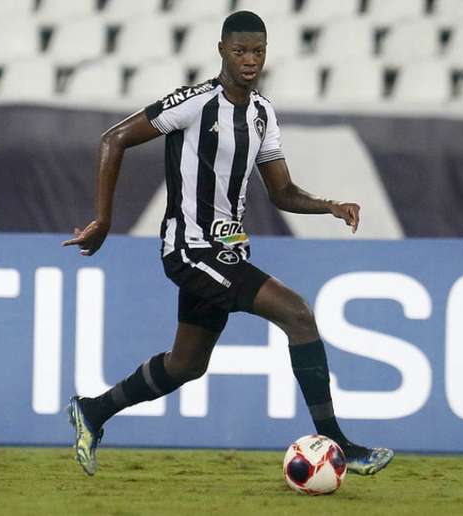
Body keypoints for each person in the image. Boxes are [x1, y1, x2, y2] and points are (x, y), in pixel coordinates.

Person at [62, 11, 394, 477]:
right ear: (221, 50)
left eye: (258, 51)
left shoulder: (262, 114)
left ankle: (92, 412)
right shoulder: (195, 103)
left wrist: (330, 205)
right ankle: (338, 443)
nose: (250, 60)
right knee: (297, 314)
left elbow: (282, 192)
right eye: (240, 51)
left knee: (186, 364)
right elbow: (113, 139)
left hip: (229, 251)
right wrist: (103, 219)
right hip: (190, 250)